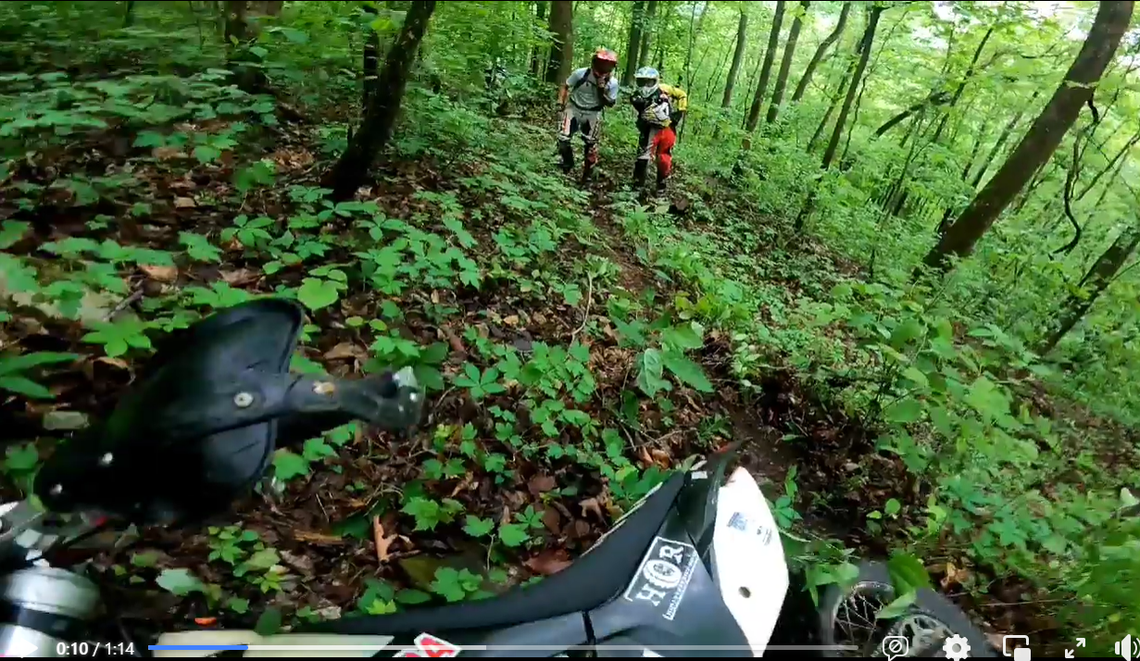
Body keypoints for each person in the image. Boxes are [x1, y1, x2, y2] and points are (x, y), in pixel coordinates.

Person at [557, 48, 620, 183]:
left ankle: (587, 177)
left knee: (591, 146)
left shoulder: (613, 83)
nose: (604, 66)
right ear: (595, 61)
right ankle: (567, 165)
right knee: (563, 139)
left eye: (608, 64)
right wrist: (560, 102)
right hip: (573, 108)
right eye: (601, 63)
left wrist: (601, 91)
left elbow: (610, 103)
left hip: (593, 113)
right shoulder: (581, 73)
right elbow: (565, 85)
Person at [629, 67, 687, 195]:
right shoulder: (635, 97)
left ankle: (661, 187)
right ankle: (638, 185)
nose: (645, 86)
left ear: (655, 81)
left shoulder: (665, 88)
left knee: (664, 158)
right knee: (642, 155)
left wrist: (680, 112)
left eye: (648, 82)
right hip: (648, 128)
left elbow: (682, 94)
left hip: (667, 128)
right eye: (642, 82)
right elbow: (641, 109)